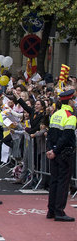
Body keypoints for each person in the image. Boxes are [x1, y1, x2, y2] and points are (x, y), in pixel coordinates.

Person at [46, 89, 76, 222]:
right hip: (64, 153)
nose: (74, 102)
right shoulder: (70, 116)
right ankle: (59, 211)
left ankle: (51, 210)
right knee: (63, 183)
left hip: (54, 152)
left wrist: (50, 150)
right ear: (69, 101)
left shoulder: (55, 114)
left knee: (54, 181)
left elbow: (51, 135)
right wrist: (56, 150)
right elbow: (66, 137)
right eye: (73, 99)